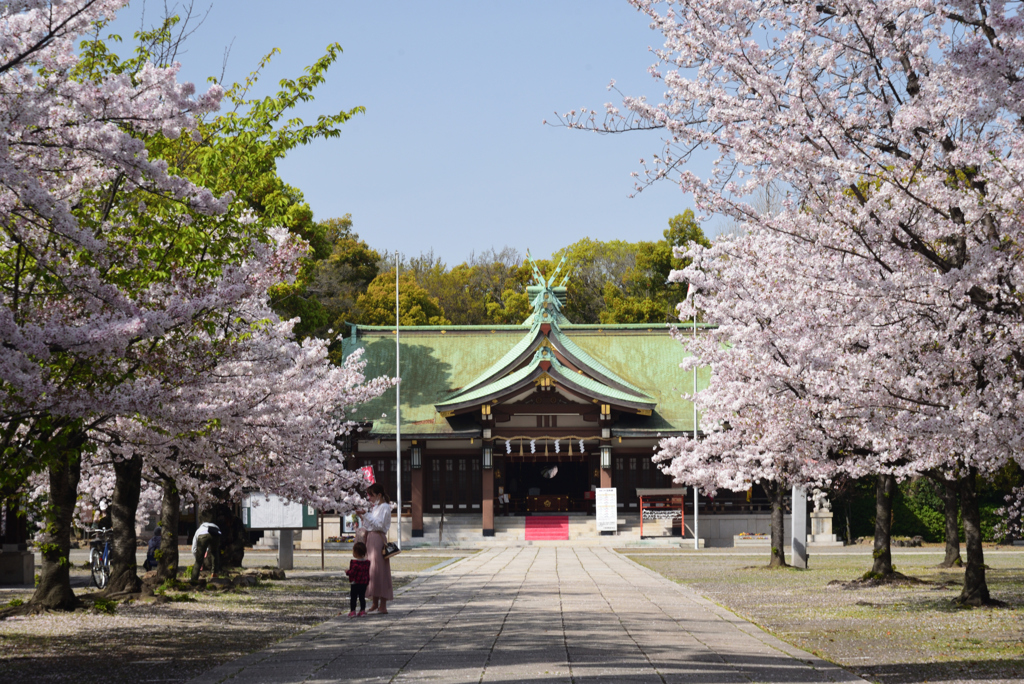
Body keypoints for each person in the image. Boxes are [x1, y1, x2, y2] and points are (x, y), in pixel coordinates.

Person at [360, 483, 394, 614]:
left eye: (372, 495)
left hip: (378, 539)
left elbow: (379, 525)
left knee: (380, 570)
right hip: (371, 538)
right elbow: (370, 524)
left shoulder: (385, 507)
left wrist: (366, 515)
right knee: (372, 570)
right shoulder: (376, 507)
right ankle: (375, 602)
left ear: (379, 495)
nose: (370, 498)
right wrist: (363, 516)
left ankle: (383, 604)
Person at [345, 541, 370, 617]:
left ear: (355, 552)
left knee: (353, 597)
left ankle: (353, 611)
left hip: (355, 583)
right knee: (362, 597)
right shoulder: (367, 562)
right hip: (363, 583)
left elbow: (352, 572)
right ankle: (362, 610)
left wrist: (347, 572)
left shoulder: (354, 563)